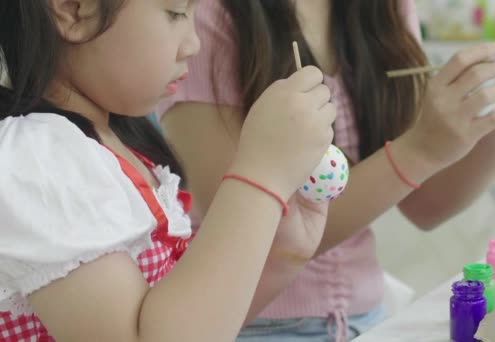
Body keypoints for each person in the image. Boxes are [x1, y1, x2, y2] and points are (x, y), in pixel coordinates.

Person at [158, 0, 495, 341]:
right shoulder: (205, 17)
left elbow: (422, 205)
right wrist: (418, 150)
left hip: (371, 320)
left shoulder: (385, 8)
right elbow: (252, 239)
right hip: (250, 327)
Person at [0, 0, 337, 340]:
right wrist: (261, 175)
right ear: (73, 10)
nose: (194, 43)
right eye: (176, 12)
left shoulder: (111, 145)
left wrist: (284, 253)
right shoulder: (41, 159)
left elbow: (200, 324)